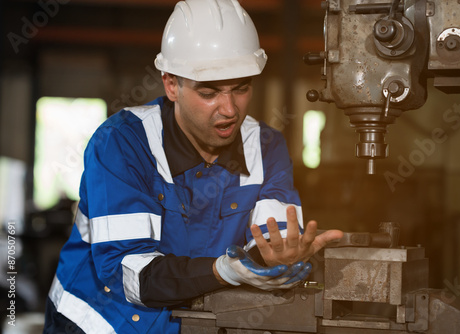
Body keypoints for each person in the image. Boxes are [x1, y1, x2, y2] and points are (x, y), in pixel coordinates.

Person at [43, 0, 343, 333]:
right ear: (171, 84)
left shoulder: (266, 146)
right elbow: (131, 276)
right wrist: (224, 270)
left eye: (241, 88)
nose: (229, 109)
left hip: (195, 323)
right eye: (209, 92)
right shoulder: (121, 144)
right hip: (101, 322)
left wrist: (276, 257)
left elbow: (273, 240)